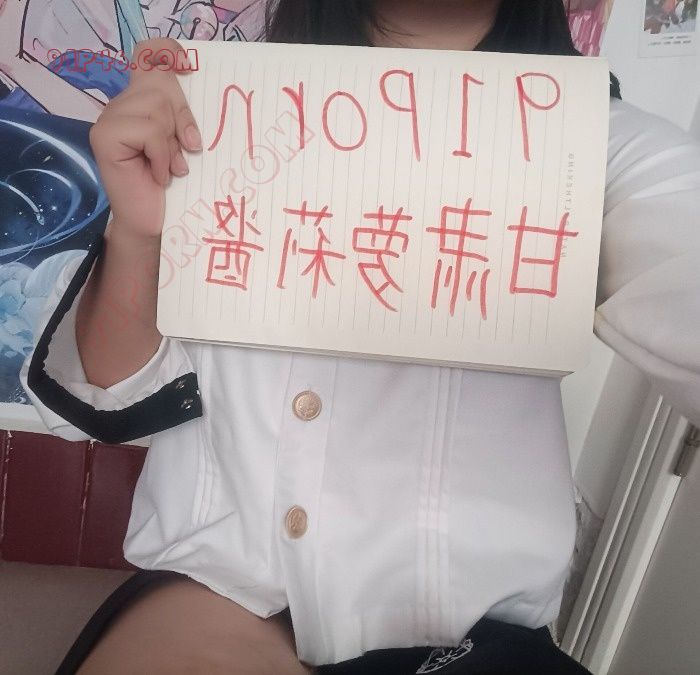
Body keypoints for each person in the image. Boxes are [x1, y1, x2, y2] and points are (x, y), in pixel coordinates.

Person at [21, 0, 700, 673]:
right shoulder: (212, 116)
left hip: (468, 640)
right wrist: (140, 235)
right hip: (212, 599)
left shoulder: (599, 151)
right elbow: (106, 394)